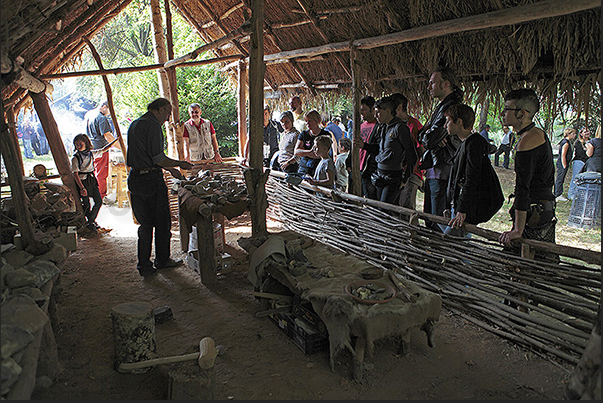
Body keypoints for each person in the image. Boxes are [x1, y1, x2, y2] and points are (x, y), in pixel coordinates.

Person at [126, 98, 193, 277]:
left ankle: (144, 265)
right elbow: (158, 158)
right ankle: (162, 260)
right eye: (168, 114)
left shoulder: (135, 124)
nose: (167, 119)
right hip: (150, 180)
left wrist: (170, 169)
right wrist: (180, 164)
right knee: (162, 222)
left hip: (135, 178)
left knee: (145, 224)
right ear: (161, 109)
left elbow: (148, 157)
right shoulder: (153, 125)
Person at [498, 88, 557, 262]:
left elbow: (523, 187)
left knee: (527, 262)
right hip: (542, 208)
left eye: (507, 108)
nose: (503, 113)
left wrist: (518, 229)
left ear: (522, 114)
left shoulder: (527, 141)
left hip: (535, 212)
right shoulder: (537, 134)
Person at [443, 104, 503, 237]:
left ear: (459, 122)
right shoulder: (464, 143)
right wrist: (449, 204)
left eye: (448, 121)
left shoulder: (474, 144)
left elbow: (471, 177)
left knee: (451, 242)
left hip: (466, 207)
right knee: (458, 245)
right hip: (459, 205)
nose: (445, 125)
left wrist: (462, 209)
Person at [419, 66, 463, 231]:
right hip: (435, 168)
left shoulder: (451, 108)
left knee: (437, 220)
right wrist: (427, 135)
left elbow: (430, 138)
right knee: (430, 218)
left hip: (443, 169)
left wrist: (428, 136)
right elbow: (423, 134)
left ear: (445, 84)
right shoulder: (441, 107)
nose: (429, 87)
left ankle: (438, 254)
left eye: (432, 83)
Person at [369, 96, 417, 205]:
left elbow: (412, 155)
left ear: (388, 111)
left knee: (384, 209)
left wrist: (404, 179)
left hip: (393, 177)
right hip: (379, 174)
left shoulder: (400, 128)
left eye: (378, 112)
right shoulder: (382, 128)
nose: (375, 116)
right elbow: (380, 150)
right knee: (378, 209)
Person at [71, 134, 116, 234]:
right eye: (76, 145)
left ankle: (91, 221)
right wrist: (82, 188)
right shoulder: (75, 158)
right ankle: (89, 222)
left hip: (91, 179)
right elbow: (75, 174)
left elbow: (104, 149)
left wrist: (114, 141)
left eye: (80, 144)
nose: (78, 147)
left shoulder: (91, 154)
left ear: (86, 144)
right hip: (82, 181)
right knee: (86, 204)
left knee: (98, 201)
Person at [390, 93, 424, 220]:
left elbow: (420, 151)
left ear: (399, 107)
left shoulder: (413, 125)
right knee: (395, 209)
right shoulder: (392, 126)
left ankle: (412, 237)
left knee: (407, 208)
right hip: (398, 173)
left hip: (412, 173)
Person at [84, 101, 116, 200]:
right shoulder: (101, 118)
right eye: (109, 110)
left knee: (93, 172)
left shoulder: (89, 114)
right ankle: (100, 196)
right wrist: (122, 148)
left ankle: (93, 194)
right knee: (101, 174)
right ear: (104, 107)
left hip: (91, 148)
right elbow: (108, 137)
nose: (109, 113)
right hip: (101, 149)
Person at [355, 95, 380, 199]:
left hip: (369, 169)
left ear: (372, 110)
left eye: (364, 110)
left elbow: (379, 148)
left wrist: (365, 146)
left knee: (371, 200)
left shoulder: (378, 126)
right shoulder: (360, 125)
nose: (361, 113)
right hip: (357, 167)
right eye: (360, 110)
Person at [294, 110, 330, 177]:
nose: (307, 123)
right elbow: (296, 152)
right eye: (306, 121)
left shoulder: (325, 135)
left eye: (310, 120)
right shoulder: (304, 134)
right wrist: (310, 152)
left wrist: (304, 152)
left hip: (319, 167)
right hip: (304, 167)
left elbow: (325, 154)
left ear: (317, 121)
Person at [554, 127, 576, 201]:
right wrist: (564, 165)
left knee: (561, 178)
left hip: (562, 163)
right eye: (573, 134)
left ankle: (558, 193)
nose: (574, 135)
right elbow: (563, 155)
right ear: (569, 134)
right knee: (560, 178)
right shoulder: (566, 143)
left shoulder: (566, 142)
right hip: (562, 163)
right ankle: (557, 194)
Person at [567, 127, 590, 200]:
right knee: (575, 177)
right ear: (581, 133)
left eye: (588, 132)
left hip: (587, 162)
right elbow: (580, 153)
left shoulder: (591, 141)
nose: (587, 133)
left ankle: (582, 194)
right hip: (579, 161)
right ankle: (571, 194)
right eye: (585, 132)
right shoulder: (578, 142)